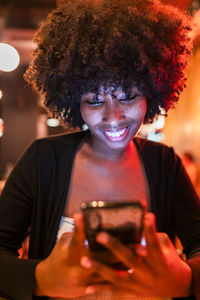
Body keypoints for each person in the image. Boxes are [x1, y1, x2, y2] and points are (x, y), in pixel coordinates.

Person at [0, 0, 200, 299]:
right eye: (94, 100)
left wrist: (186, 279)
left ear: (152, 92)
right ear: (74, 102)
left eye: (129, 96)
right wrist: (40, 277)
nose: (114, 116)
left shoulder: (165, 163)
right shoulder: (43, 159)